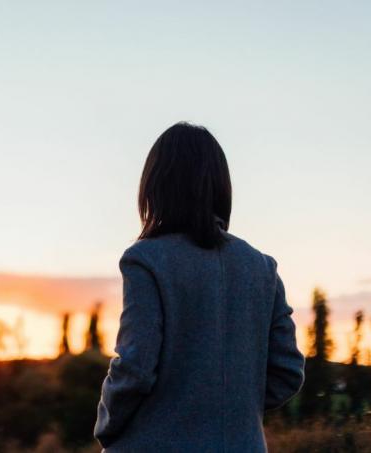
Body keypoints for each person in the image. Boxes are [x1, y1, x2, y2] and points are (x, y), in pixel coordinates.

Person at [94, 122, 305, 452]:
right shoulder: (262, 267)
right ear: (220, 187)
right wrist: (231, 411)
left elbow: (134, 369)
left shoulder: (146, 260)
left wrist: (107, 425)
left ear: (155, 186)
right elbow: (288, 371)